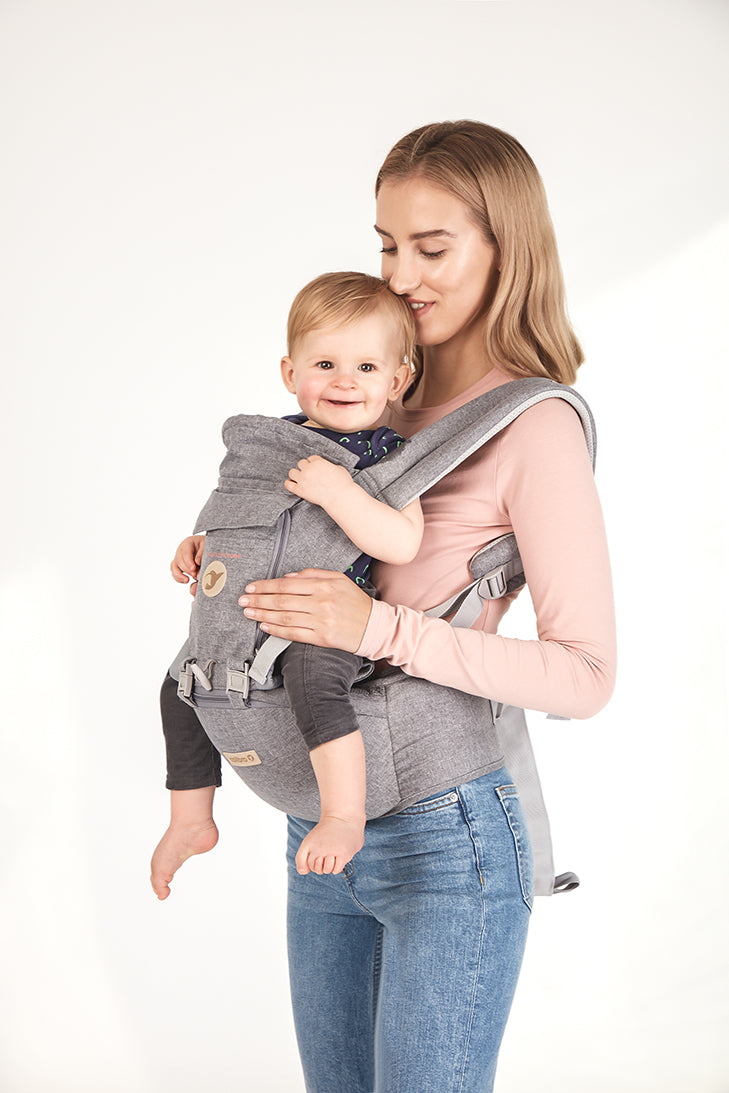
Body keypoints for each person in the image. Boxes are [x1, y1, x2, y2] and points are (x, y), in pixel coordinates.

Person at [151, 121, 616, 1093]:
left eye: (431, 249)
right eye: (386, 245)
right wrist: (218, 554)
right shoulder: (363, 395)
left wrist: (376, 629)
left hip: (448, 837)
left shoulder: (530, 427)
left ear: (506, 249)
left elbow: (584, 675)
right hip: (324, 819)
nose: (401, 277)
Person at [155, 270, 423, 880]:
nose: (344, 381)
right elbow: (247, 518)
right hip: (239, 619)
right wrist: (201, 544)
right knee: (177, 687)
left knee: (314, 683)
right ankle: (191, 818)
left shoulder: (389, 456)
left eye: (366, 367)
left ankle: (343, 814)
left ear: (397, 380)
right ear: (290, 372)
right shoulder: (269, 447)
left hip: (321, 619)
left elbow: (402, 542)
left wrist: (340, 494)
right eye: (325, 364)